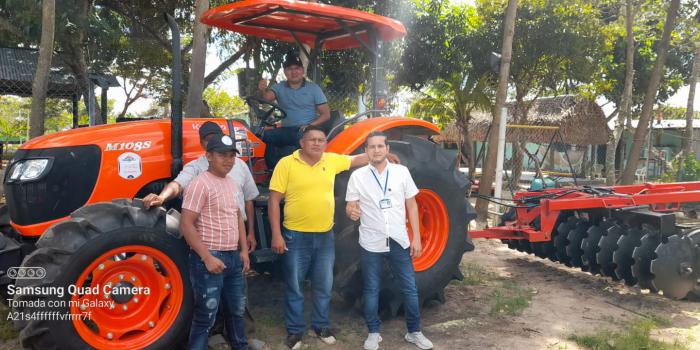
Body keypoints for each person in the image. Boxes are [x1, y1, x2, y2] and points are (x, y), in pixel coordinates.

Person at [268, 125, 386, 349]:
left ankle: (320, 325)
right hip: (296, 235)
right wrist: (276, 234)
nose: (316, 143)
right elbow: (274, 200)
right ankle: (295, 331)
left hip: (324, 236)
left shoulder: (330, 160)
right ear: (302, 143)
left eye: (321, 139)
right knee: (295, 285)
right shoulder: (286, 164)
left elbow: (354, 160)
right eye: (311, 139)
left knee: (324, 285)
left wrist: (382, 153)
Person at [345, 131, 434, 350]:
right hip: (371, 241)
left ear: (387, 149)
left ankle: (414, 332)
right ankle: (373, 333)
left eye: (380, 146)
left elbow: (412, 205)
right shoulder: (357, 177)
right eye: (371, 147)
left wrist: (416, 239)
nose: (376, 150)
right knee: (371, 288)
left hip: (398, 240)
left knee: (409, 288)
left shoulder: (401, 172)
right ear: (365, 151)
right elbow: (350, 206)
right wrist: (351, 212)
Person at [142, 121, 260, 251]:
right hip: (210, 238)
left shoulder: (240, 165)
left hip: (237, 233)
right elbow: (177, 185)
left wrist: (251, 233)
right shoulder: (195, 167)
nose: (212, 142)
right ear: (201, 143)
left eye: (215, 137)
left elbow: (248, 200)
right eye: (207, 139)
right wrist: (162, 197)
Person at [180, 134, 250, 350]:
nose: (228, 160)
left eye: (231, 156)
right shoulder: (199, 184)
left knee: (237, 311)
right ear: (208, 155)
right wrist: (207, 257)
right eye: (222, 155)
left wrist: (244, 251)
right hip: (209, 258)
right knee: (205, 317)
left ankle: (241, 346)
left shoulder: (232, 183)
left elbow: (237, 216)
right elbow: (186, 224)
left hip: (233, 258)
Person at [257, 53, 330, 169]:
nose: (294, 72)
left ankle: (300, 172)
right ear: (285, 72)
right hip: (287, 129)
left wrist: (309, 125)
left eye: (297, 68)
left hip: (306, 129)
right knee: (264, 136)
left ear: (302, 70)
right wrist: (262, 90)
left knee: (301, 138)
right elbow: (265, 99)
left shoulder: (313, 88)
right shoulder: (279, 87)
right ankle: (273, 172)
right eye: (290, 69)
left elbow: (326, 115)